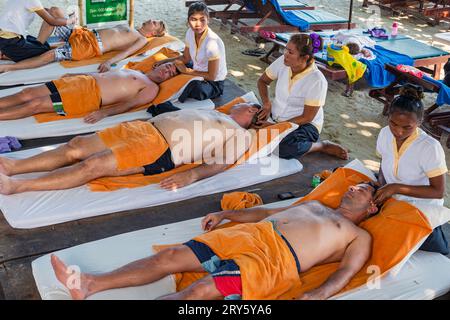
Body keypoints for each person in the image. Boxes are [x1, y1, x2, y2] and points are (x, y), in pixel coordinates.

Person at [50, 183, 378, 300]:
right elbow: (267, 212)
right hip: (250, 234)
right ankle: (91, 285)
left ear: (372, 206)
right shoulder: (314, 203)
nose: (352, 188)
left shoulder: (357, 235)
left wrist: (318, 294)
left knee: (199, 291)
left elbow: (346, 273)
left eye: (361, 189)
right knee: (169, 257)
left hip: (273, 261)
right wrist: (226, 215)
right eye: (353, 186)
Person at [0, 103, 258, 195]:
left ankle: (17, 186)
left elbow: (222, 162)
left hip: (161, 147)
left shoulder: (241, 133)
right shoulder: (217, 112)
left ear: (251, 111)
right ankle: (12, 166)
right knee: (76, 145)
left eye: (245, 104)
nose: (239, 104)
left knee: (92, 165)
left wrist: (190, 175)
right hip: (142, 129)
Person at [374, 84, 448, 254]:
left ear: (419, 122)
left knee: (433, 250)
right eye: (393, 123)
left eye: (407, 127)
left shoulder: (430, 147)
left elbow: (438, 191)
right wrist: (381, 185)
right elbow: (384, 163)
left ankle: (436, 236)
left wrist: (395, 188)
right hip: (393, 195)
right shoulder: (385, 133)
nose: (398, 131)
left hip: (420, 205)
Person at [256, 33, 348, 160]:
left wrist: (277, 127)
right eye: (286, 49)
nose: (285, 54)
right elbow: (263, 81)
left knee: (282, 148)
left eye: (290, 52)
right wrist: (266, 104)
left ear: (304, 57)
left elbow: (307, 117)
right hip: (276, 116)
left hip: (304, 124)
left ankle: (322, 146)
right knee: (251, 118)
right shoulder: (283, 63)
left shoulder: (317, 80)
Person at [0, 6, 166, 73]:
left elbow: (126, 52)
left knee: (51, 55)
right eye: (154, 19)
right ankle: (36, 45)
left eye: (155, 23)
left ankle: (7, 69)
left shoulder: (142, 39)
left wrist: (110, 62)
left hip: (89, 47)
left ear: (153, 34)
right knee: (54, 11)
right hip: (85, 35)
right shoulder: (132, 27)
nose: (152, 20)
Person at [0, 62, 178, 122]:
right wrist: (77, 74)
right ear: (160, 64)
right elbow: (104, 75)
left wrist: (103, 113)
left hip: (86, 97)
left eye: (171, 74)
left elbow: (130, 104)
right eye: (168, 67)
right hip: (81, 81)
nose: (167, 71)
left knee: (35, 104)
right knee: (27, 93)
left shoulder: (151, 88)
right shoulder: (135, 70)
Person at [157, 2, 227, 102]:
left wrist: (186, 71)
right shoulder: (190, 32)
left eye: (202, 20)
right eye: (193, 19)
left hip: (213, 83)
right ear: (188, 20)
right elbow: (186, 58)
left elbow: (212, 76)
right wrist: (165, 61)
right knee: (171, 67)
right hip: (196, 69)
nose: (198, 24)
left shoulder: (212, 43)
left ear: (208, 20)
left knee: (195, 88)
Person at [0, 0, 76, 62]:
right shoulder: (32, 1)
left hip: (5, 39)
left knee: (39, 43)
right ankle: (7, 55)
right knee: (45, 50)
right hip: (11, 42)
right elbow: (52, 21)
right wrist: (71, 20)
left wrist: (53, 12)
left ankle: (8, 52)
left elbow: (43, 10)